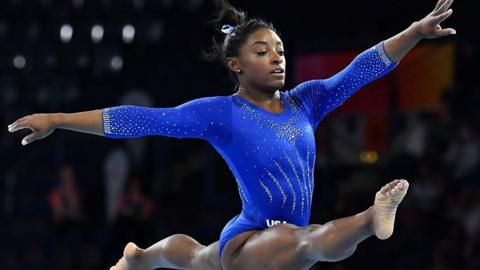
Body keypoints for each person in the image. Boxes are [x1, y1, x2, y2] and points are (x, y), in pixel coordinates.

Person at [8, 0, 456, 269]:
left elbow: (362, 70)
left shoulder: (306, 101)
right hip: (248, 241)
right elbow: (139, 119)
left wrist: (415, 32)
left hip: (260, 241)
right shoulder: (220, 113)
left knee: (196, 259)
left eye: (280, 50)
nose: (277, 58)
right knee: (309, 243)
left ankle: (140, 257)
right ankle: (369, 220)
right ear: (236, 65)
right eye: (262, 52)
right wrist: (56, 117)